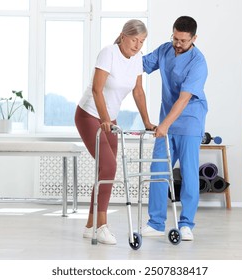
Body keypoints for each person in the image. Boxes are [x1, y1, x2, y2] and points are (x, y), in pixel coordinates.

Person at [75, 19, 155, 245]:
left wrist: (148, 122)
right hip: (89, 114)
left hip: (110, 119)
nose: (138, 45)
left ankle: (90, 226)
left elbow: (138, 92)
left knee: (106, 169)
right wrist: (105, 119)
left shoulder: (137, 59)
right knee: (108, 166)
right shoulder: (108, 53)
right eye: (134, 39)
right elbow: (97, 90)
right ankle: (101, 226)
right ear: (122, 36)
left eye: (142, 41)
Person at [142, 16, 208, 241]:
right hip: (165, 123)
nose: (177, 44)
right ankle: (156, 223)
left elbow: (183, 99)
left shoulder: (198, 63)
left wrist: (164, 126)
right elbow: (137, 63)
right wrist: (118, 49)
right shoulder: (164, 50)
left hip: (189, 121)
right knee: (158, 171)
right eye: (175, 38)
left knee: (189, 174)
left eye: (183, 40)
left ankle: (187, 224)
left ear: (194, 38)